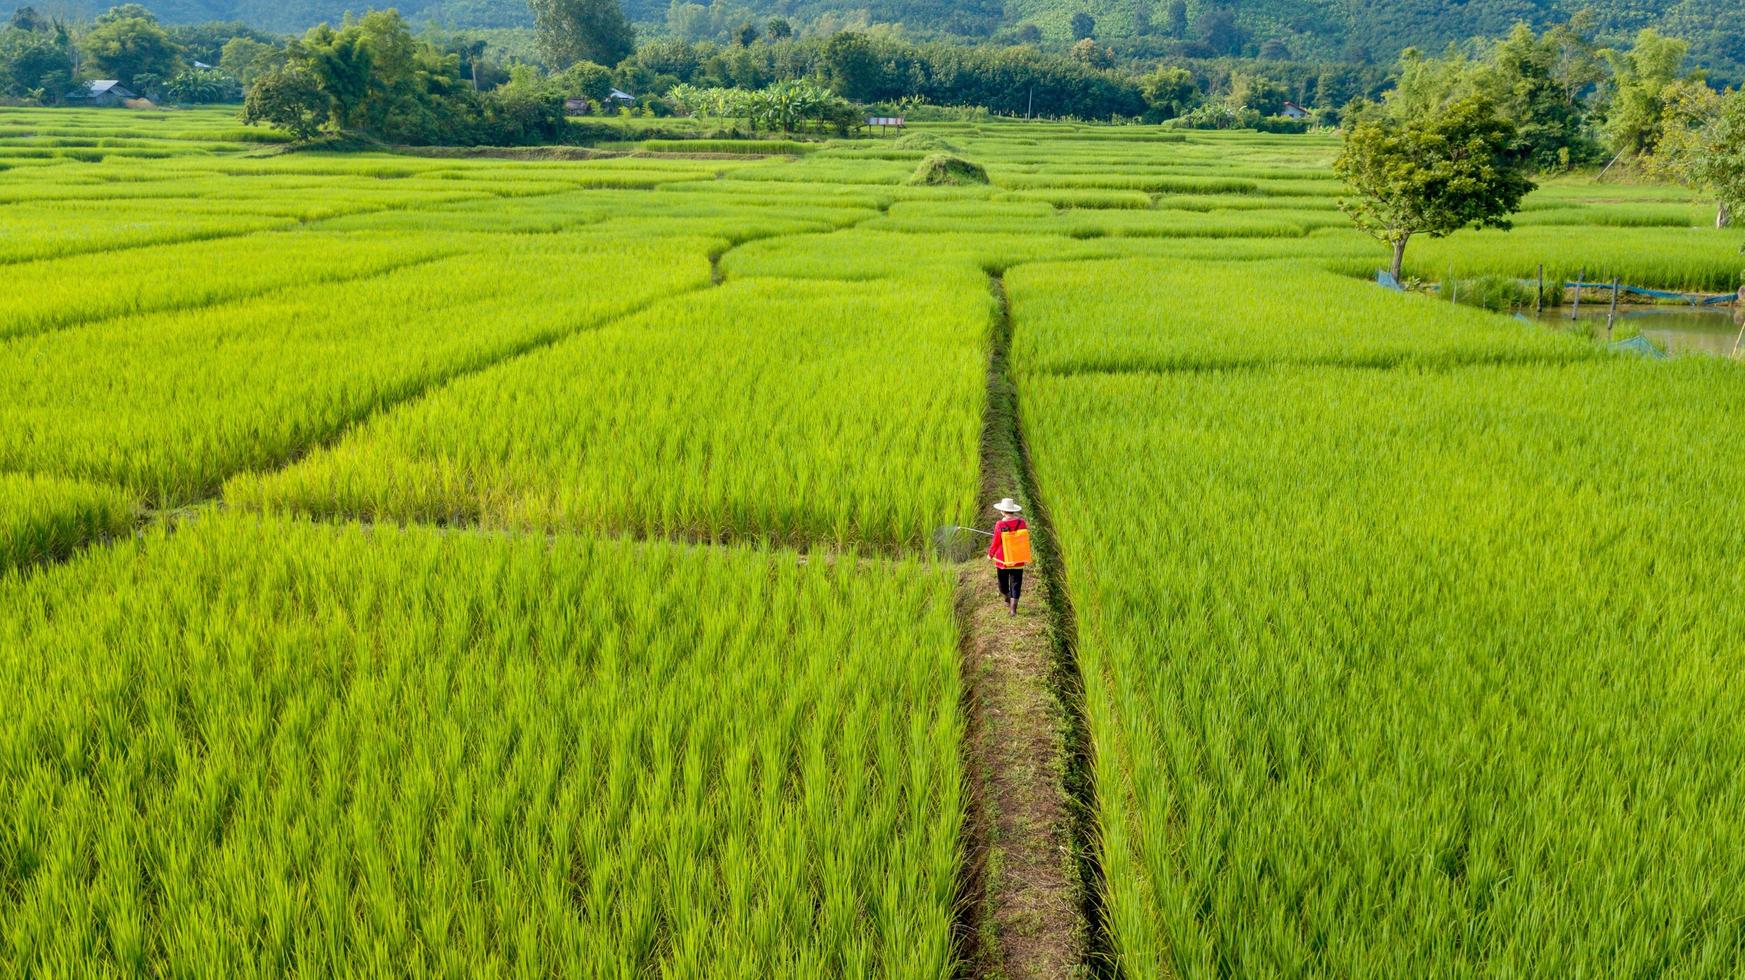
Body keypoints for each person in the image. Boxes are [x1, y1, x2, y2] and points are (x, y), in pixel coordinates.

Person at [988, 498, 1029, 616]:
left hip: (1003, 561)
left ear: (1002, 511)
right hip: (1018, 559)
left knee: (1003, 585)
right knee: (1016, 584)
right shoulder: (1022, 523)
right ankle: (1013, 608)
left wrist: (990, 554)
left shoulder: (1000, 524)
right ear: (1013, 511)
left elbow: (995, 542)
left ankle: (1009, 601)